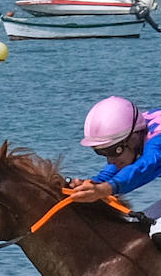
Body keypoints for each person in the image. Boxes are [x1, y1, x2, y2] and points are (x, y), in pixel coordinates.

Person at [68, 96, 161, 243]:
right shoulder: (136, 129)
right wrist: (92, 184)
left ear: (133, 138)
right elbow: (118, 167)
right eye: (102, 153)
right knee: (138, 227)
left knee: (157, 231)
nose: (110, 160)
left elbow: (145, 167)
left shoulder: (157, 142)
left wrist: (105, 189)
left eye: (114, 151)